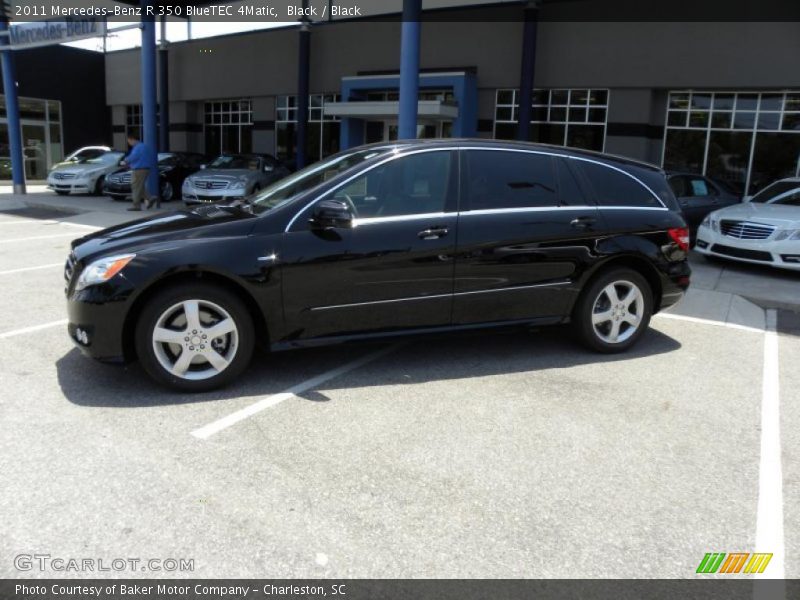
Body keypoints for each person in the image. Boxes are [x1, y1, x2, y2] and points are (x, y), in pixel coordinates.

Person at [122, 134, 157, 211]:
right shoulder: (144, 147)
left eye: (129, 141)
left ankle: (136, 205)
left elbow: (134, 157)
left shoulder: (138, 147)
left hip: (139, 169)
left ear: (132, 139)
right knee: (139, 186)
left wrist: (125, 161)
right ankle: (150, 198)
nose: (129, 143)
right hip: (144, 169)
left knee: (136, 186)